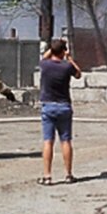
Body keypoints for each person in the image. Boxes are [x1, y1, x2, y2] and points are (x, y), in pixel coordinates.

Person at [38, 38, 82, 185]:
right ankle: (68, 175)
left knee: (48, 141)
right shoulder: (66, 67)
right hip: (64, 107)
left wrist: (54, 47)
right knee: (65, 141)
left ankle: (47, 176)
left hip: (48, 106)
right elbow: (78, 74)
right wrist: (69, 57)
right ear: (63, 51)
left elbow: (45, 56)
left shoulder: (45, 65)